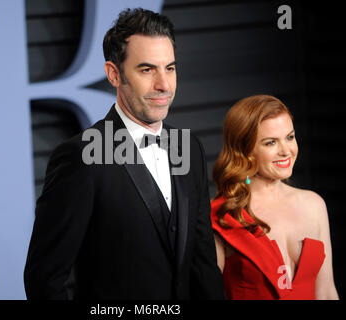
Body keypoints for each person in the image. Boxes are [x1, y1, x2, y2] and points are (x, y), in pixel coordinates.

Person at [24, 8, 224, 300]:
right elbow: (44, 278)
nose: (164, 85)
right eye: (147, 70)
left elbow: (202, 263)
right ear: (114, 74)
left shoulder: (188, 148)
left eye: (170, 68)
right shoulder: (81, 157)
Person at [210, 94, 339, 300]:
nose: (286, 151)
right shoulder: (220, 216)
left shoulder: (314, 205)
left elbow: (326, 292)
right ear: (245, 150)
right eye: (270, 143)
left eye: (290, 137)